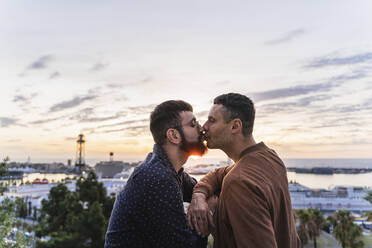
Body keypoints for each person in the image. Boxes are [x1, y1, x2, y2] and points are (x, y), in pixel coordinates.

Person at [187, 93, 301, 248]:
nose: (204, 127)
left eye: (212, 120)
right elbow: (219, 173)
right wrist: (199, 195)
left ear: (235, 126)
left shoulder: (239, 181)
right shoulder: (269, 157)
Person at [105, 100, 208, 248]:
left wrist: (200, 195)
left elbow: (198, 187)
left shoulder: (168, 168)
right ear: (174, 135)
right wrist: (208, 210)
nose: (201, 128)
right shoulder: (157, 177)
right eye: (193, 124)